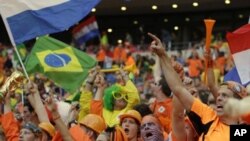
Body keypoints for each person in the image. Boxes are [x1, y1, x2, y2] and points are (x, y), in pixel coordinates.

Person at [147, 32, 248, 141]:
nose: (218, 98)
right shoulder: (210, 117)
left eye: (224, 96)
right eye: (219, 95)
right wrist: (163, 56)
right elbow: (178, 89)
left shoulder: (241, 131)